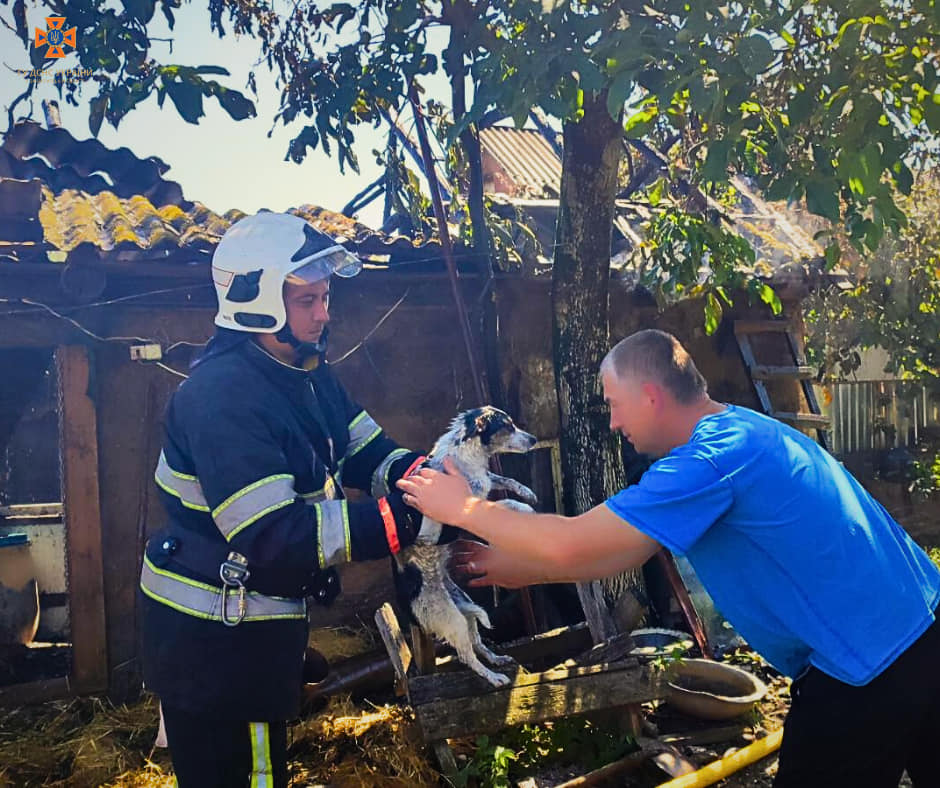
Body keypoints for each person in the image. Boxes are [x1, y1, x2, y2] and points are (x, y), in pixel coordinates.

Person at [398, 328, 940, 788]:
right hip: (923, 629)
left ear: (651, 396)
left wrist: (463, 507)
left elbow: (573, 540)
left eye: (613, 403)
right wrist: (529, 569)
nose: (612, 423)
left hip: (867, 670)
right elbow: (626, 545)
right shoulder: (744, 431)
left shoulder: (707, 461)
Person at [140, 212, 431, 787]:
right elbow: (275, 534)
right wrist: (407, 519)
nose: (324, 314)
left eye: (324, 298)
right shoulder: (222, 397)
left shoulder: (304, 370)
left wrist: (427, 477)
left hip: (251, 625)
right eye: (307, 301)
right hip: (215, 644)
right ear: (255, 301)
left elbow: (363, 451)